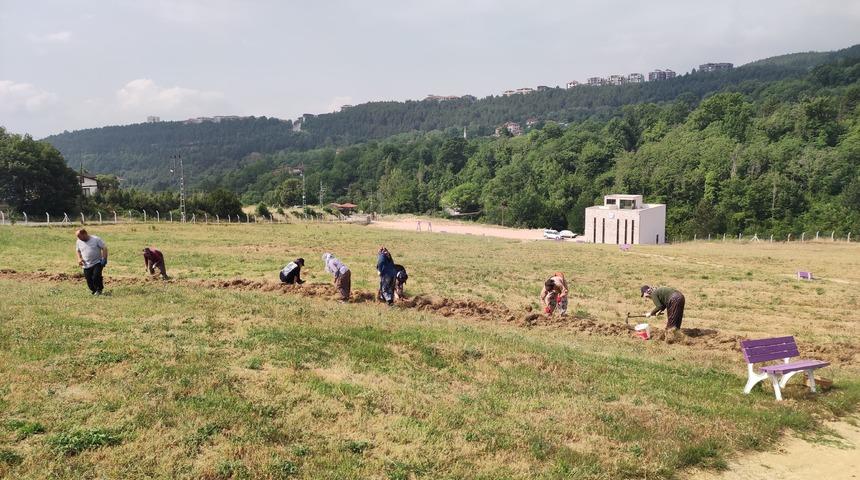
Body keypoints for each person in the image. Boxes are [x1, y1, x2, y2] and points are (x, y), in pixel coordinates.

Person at [75, 229, 108, 295]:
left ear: (84, 234)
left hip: (97, 262)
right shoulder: (79, 241)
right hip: (86, 264)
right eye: (77, 237)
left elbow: (104, 248)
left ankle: (99, 290)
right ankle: (94, 290)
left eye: (79, 236)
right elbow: (78, 251)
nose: (78, 238)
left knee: (96, 276)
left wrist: (104, 258)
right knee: (89, 279)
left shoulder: (96, 239)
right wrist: (79, 259)